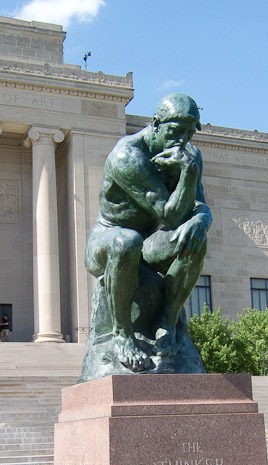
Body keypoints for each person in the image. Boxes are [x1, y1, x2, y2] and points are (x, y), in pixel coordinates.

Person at [84, 93, 212, 372]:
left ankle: (167, 322)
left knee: (194, 239)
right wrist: (188, 175)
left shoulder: (190, 156)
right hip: (108, 239)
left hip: (148, 244)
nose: (182, 140)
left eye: (189, 133)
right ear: (156, 124)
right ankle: (122, 335)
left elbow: (199, 207)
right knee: (126, 241)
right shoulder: (127, 155)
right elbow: (169, 215)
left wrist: (201, 221)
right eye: (175, 131)